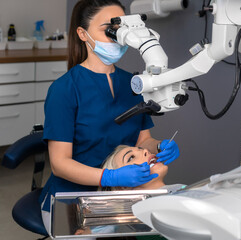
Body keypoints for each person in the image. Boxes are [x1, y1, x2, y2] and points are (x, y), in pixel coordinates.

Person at [39, 0, 180, 236]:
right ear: (83, 34)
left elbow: (142, 140)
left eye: (121, 29)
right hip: (71, 199)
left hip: (120, 194)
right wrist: (109, 176)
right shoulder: (64, 90)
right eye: (109, 29)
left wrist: (159, 146)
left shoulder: (134, 84)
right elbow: (60, 164)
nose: (117, 37)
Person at [100, 145, 185, 193]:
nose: (145, 150)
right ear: (123, 187)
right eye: (131, 158)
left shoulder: (181, 190)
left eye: (140, 149)